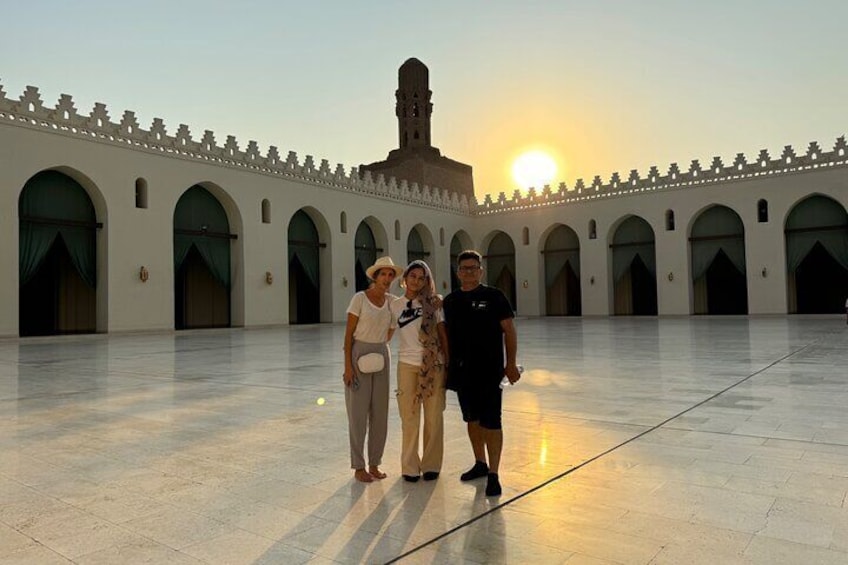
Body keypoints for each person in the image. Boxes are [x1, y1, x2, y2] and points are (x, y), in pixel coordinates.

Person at [443, 249, 520, 496]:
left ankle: (494, 474)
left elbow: (509, 330)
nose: (468, 272)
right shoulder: (451, 301)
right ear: (458, 272)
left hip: (489, 371)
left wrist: (511, 364)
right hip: (463, 372)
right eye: (464, 268)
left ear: (481, 270)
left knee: (492, 422)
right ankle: (480, 463)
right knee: (472, 420)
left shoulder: (494, 296)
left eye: (473, 268)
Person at [343, 256, 403, 483]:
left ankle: (375, 463)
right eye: (383, 274)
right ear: (375, 276)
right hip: (358, 353)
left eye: (390, 275)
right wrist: (348, 366)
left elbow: (390, 331)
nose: (387, 279)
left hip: (381, 356)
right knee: (358, 414)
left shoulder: (392, 302)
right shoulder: (360, 298)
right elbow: (348, 335)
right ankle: (358, 466)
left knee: (380, 414)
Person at [389, 260, 449, 483]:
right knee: (409, 416)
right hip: (407, 365)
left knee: (434, 415)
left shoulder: (433, 304)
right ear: (405, 279)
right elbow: (385, 332)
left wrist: (448, 362)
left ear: (427, 280)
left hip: (433, 365)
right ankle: (410, 466)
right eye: (412, 276)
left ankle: (431, 464)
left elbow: (442, 333)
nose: (416, 281)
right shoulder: (395, 305)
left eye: (421, 277)